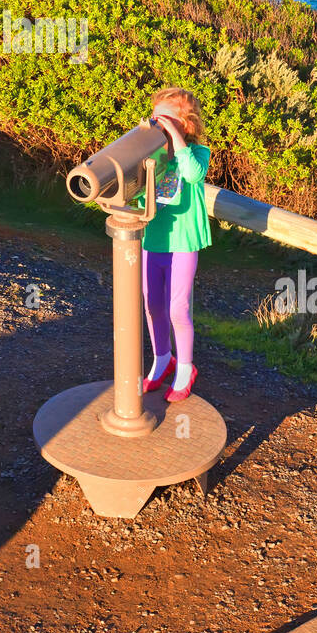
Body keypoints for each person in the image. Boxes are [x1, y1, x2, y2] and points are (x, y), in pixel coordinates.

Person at [139, 87, 211, 402]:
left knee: (178, 309)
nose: (160, 124)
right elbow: (139, 192)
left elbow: (194, 175)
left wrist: (175, 139)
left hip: (184, 241)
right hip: (154, 237)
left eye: (167, 119)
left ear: (186, 123)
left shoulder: (196, 153)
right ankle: (161, 359)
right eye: (156, 117)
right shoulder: (151, 156)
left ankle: (185, 368)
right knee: (151, 303)